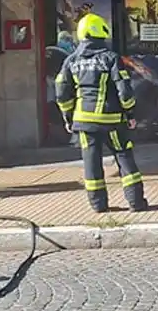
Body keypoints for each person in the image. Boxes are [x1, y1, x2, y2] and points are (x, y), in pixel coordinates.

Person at [55, 13, 149, 213]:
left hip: (84, 121)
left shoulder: (71, 61)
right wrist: (130, 113)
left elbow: (62, 92)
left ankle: (98, 205)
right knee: (124, 156)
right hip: (111, 119)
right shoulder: (111, 58)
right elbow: (125, 91)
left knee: (91, 162)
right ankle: (136, 202)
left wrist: (68, 117)